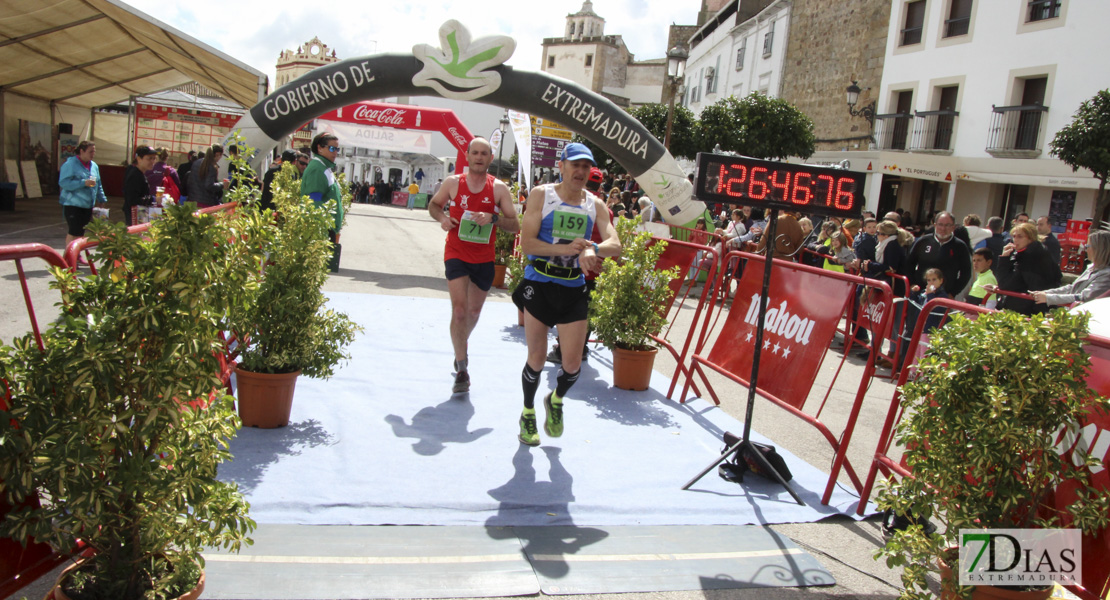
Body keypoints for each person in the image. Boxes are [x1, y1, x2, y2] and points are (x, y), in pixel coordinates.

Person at [512, 142, 620, 446]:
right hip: (540, 282)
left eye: (586, 167)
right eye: (576, 165)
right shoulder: (542, 195)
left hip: (573, 286)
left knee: (573, 366)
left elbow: (616, 243)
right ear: (562, 166)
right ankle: (528, 413)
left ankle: (555, 400)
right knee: (536, 357)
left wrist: (592, 247)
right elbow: (528, 244)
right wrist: (565, 249)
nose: (581, 171)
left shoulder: (595, 204)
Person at [428, 137, 520, 394]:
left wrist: (493, 217)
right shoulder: (453, 183)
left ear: (490, 158)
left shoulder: (499, 189)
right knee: (459, 311)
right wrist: (443, 218)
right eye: (475, 153)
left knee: (473, 314)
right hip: (456, 252)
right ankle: (462, 368)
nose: (479, 157)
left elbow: (515, 225)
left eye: (484, 154)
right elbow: (434, 206)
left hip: (483, 258)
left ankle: (459, 345)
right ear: (467, 156)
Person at [992, 221, 1060, 316]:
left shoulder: (1031, 257)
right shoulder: (1028, 253)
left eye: (1020, 237)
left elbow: (1005, 284)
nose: (1015, 240)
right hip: (1026, 307)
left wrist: (1004, 259)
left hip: (1026, 310)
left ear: (1030, 238)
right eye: (1014, 236)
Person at [1031, 230, 1110, 307]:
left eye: (1087, 246)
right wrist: (1045, 293)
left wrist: (1048, 298)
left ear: (1099, 249)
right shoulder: (1092, 268)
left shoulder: (1106, 274)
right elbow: (1072, 288)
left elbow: (1085, 297)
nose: (1085, 249)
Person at [903, 211, 972, 299]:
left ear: (953, 227)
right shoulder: (923, 241)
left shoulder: (960, 246)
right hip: (919, 293)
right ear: (935, 225)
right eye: (940, 224)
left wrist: (953, 293)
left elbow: (966, 273)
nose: (943, 228)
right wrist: (912, 284)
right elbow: (909, 264)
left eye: (947, 225)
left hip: (943, 296)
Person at [57, 140, 108, 253]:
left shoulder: (94, 166)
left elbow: (98, 183)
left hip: (88, 204)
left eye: (94, 151)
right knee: (74, 230)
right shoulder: (70, 164)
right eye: (90, 151)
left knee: (81, 232)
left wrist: (101, 198)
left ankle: (77, 255)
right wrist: (83, 183)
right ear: (82, 151)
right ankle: (68, 255)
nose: (93, 154)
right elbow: (63, 182)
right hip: (72, 204)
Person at [300, 133, 346, 238]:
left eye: (337, 149)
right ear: (319, 148)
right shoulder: (317, 169)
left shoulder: (324, 167)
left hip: (328, 230)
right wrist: (323, 232)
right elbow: (314, 203)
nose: (335, 152)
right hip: (322, 232)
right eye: (331, 148)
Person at [123, 146, 158, 227]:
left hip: (139, 215)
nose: (152, 161)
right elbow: (133, 200)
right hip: (135, 217)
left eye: (154, 158)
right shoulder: (135, 175)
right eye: (149, 158)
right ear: (139, 159)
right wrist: (154, 199)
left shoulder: (139, 173)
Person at [188, 144, 228, 208]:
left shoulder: (196, 163)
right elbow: (209, 185)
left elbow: (190, 181)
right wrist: (222, 184)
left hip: (192, 200)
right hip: (206, 203)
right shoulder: (212, 166)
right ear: (217, 154)